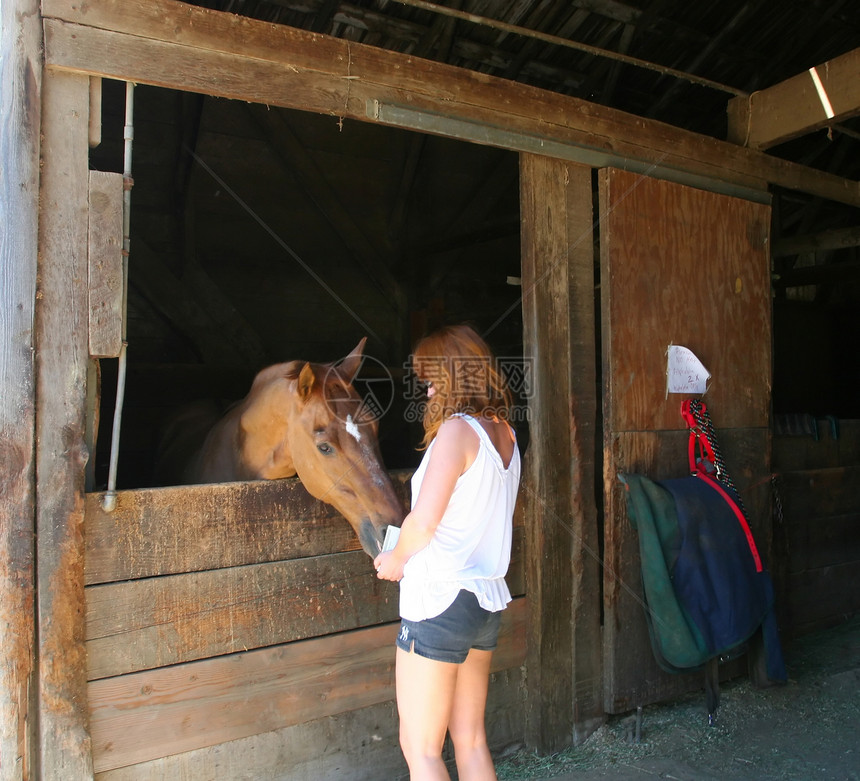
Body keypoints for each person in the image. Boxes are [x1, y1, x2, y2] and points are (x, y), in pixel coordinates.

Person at [374, 324, 521, 781]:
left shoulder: (456, 432)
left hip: (439, 602)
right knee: (471, 740)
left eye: (432, 375)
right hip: (484, 602)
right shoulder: (507, 435)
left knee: (421, 750)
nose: (428, 387)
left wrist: (394, 560)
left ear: (457, 371)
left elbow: (424, 522)